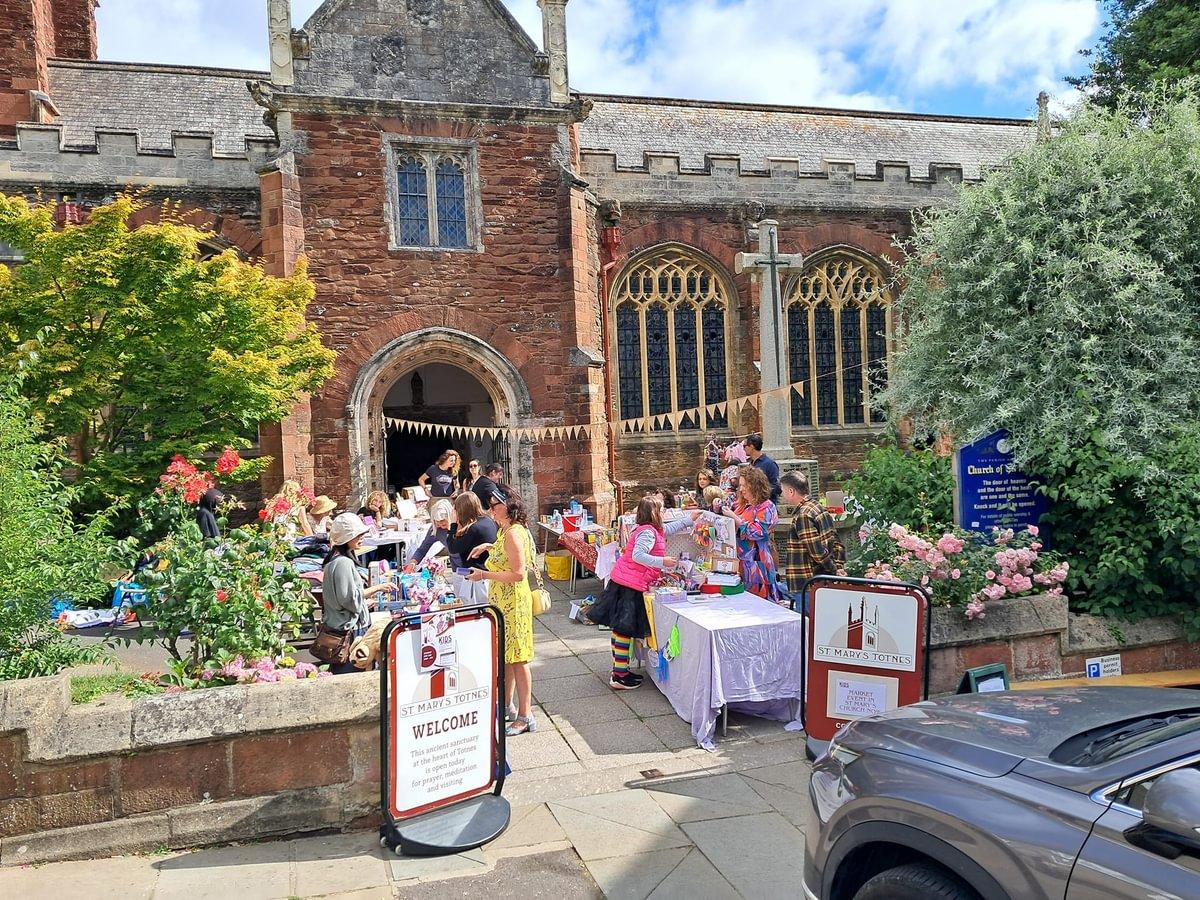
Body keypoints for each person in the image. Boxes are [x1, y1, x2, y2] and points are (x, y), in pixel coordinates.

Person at [588, 498, 700, 690]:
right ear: (654, 513)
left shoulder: (649, 530)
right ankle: (619, 675)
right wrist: (662, 561)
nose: (664, 514)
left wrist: (690, 519)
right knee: (624, 629)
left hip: (624, 581)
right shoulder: (648, 533)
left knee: (619, 628)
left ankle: (618, 668)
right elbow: (637, 555)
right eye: (662, 510)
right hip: (630, 584)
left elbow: (669, 529)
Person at [468, 488, 538, 735]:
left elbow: (519, 574)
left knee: (519, 659)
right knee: (507, 656)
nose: (491, 509)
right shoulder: (505, 531)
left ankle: (526, 714)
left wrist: (483, 574)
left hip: (513, 603)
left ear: (509, 507)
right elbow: (506, 555)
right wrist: (488, 546)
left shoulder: (513, 534)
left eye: (495, 505)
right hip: (502, 602)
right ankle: (506, 704)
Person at [321, 513, 397, 674]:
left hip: (338, 628)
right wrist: (375, 591)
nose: (362, 537)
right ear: (347, 537)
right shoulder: (344, 563)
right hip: (349, 630)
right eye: (358, 535)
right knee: (352, 672)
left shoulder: (333, 561)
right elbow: (350, 599)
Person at [780, 472, 845, 612]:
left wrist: (834, 570)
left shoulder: (803, 515)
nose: (782, 495)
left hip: (807, 581)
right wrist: (838, 566)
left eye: (783, 491)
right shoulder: (816, 506)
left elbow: (817, 552)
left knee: (808, 627)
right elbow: (834, 540)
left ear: (791, 491)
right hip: (819, 580)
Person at [731, 465, 782, 604]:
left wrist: (736, 520)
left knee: (761, 602)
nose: (741, 489)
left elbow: (759, 532)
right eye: (740, 485)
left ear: (755, 486)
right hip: (741, 563)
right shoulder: (742, 505)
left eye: (744, 485)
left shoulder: (767, 506)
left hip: (758, 563)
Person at [448, 491, 498, 571]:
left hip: (478, 575)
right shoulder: (489, 521)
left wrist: (453, 524)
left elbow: (452, 548)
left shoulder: (473, 528)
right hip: (489, 570)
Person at [410, 499, 454, 567]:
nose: (441, 525)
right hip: (455, 564)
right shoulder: (435, 530)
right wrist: (412, 563)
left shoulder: (459, 525)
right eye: (438, 523)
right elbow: (422, 549)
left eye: (443, 522)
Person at [743, 434, 781, 503]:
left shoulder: (770, 464)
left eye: (744, 446)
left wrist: (761, 491)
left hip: (766, 505)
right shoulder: (751, 464)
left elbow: (777, 487)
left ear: (751, 446)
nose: (743, 449)